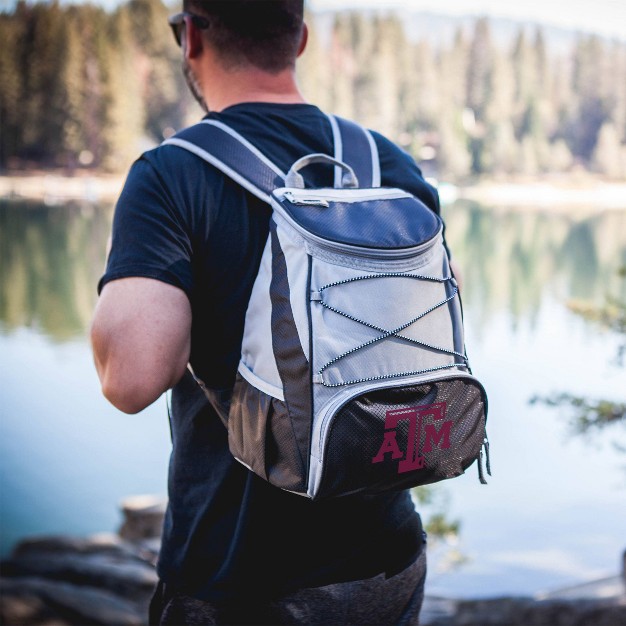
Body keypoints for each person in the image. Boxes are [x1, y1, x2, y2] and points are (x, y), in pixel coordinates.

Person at [91, 1, 444, 623]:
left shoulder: (173, 174)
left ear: (192, 35)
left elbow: (131, 378)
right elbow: (443, 315)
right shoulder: (385, 162)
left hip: (239, 577)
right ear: (300, 39)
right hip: (385, 558)